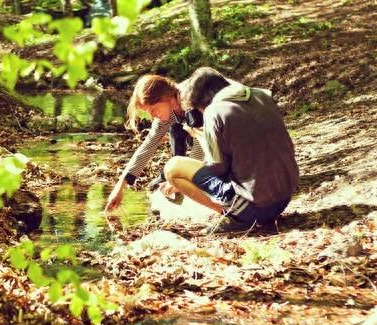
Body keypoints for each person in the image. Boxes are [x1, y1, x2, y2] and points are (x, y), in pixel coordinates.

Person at [157, 66, 299, 233]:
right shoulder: (261, 95)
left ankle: (234, 217)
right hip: (285, 197)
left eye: (198, 108)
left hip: (257, 209)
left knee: (173, 167)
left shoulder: (213, 112)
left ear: (203, 100)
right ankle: (244, 213)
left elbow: (217, 168)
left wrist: (199, 136)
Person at [104, 74, 203, 211]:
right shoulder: (167, 111)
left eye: (153, 110)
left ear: (165, 97)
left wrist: (184, 181)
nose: (152, 116)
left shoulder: (193, 99)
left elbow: (203, 145)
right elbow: (148, 145)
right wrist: (121, 185)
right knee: (175, 128)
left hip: (234, 133)